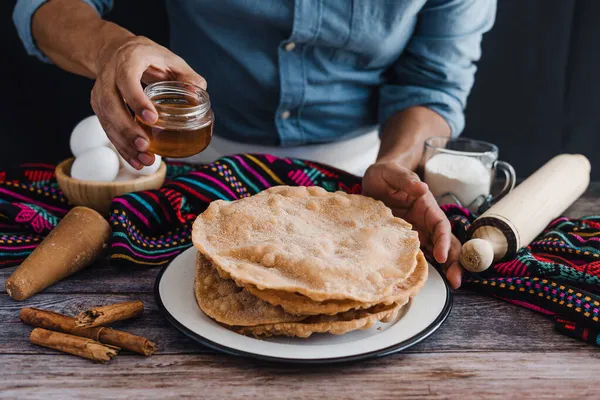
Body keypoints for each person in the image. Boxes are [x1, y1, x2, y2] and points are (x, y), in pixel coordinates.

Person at [14, 0, 497, 289]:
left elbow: (432, 84)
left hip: (361, 175)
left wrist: (395, 164)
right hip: (197, 161)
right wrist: (111, 50)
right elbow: (42, 7)